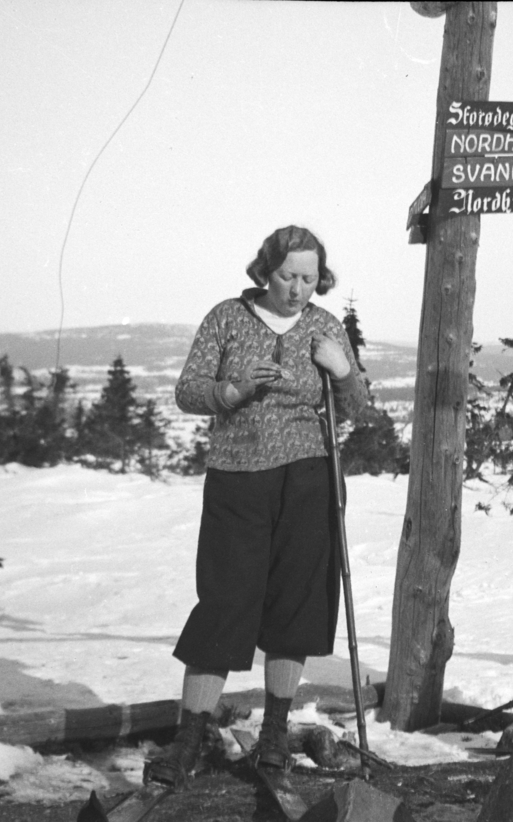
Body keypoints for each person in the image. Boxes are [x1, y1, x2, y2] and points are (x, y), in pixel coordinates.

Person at [144, 225, 369, 786]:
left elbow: (357, 406)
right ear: (264, 272)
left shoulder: (323, 326)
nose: (298, 290)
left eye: (310, 278)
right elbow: (187, 391)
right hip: (237, 481)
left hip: (310, 480)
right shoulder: (226, 318)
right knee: (225, 605)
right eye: (288, 276)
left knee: (295, 608)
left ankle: (274, 738)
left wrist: (342, 370)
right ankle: (190, 737)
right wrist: (233, 388)